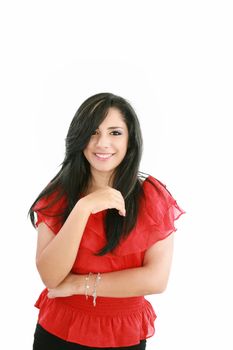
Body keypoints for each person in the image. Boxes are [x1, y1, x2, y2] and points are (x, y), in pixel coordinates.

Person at [28, 92, 186, 350]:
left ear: (130, 140)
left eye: (115, 133)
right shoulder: (59, 195)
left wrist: (78, 285)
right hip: (59, 330)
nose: (102, 143)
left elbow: (156, 279)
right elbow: (51, 277)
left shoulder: (152, 197)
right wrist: (83, 208)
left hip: (124, 332)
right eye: (93, 132)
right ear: (79, 137)